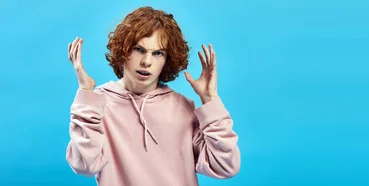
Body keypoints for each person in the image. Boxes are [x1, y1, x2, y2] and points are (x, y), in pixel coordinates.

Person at [64, 6, 241, 186]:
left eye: (158, 53)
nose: (146, 62)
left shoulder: (183, 108)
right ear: (123, 50)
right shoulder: (98, 105)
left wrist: (210, 100)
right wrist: (86, 94)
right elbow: (84, 165)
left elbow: (225, 166)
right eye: (139, 49)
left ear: (167, 60)